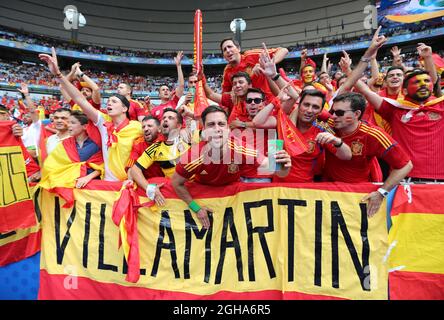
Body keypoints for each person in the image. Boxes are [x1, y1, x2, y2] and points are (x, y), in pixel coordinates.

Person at [345, 28, 444, 181]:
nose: (423, 85)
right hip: (404, 179)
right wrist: (350, 69)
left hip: (440, 180)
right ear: (404, 90)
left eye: (426, 82)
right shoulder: (395, 109)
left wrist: (428, 58)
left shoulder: (440, 105)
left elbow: (434, 80)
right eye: (416, 82)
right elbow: (365, 89)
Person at [171, 105, 292, 228]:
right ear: (204, 130)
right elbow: (176, 183)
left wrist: (283, 166)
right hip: (203, 198)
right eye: (211, 124)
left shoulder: (241, 148)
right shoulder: (194, 156)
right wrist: (196, 208)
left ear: (228, 129)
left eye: (221, 124)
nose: (217, 129)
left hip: (231, 199)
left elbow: (277, 170)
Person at [39, 47, 142, 181]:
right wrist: (58, 74)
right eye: (108, 101)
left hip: (129, 183)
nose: (109, 103)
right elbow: (79, 99)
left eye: (114, 101)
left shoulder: (137, 127)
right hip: (106, 183)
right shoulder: (103, 122)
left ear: (124, 109)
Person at [323, 93, 413, 216]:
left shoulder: (373, 135)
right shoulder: (329, 123)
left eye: (339, 113)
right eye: (332, 111)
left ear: (356, 114)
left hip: (357, 196)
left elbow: (406, 165)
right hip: (326, 193)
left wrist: (382, 192)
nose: (333, 116)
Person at [39, 111, 103, 206]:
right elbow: (52, 165)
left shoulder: (96, 143)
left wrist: (88, 177)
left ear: (85, 127)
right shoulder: (65, 144)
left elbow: (104, 164)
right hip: (72, 187)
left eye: (72, 123)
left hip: (93, 190)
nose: (69, 126)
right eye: (68, 123)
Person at [129, 108, 191, 206]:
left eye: (170, 118)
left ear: (179, 126)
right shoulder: (155, 148)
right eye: (164, 118)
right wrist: (149, 188)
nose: (165, 120)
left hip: (193, 195)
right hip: (171, 197)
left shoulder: (191, 145)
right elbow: (134, 170)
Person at [220, 38, 288, 101]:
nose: (228, 50)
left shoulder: (251, 55)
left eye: (230, 47)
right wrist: (232, 92)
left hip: (268, 101)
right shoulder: (227, 71)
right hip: (248, 105)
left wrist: (267, 64)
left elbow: (283, 50)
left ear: (238, 49)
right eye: (225, 49)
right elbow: (224, 93)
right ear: (224, 56)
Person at [150, 51, 185, 120]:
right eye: (163, 90)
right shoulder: (154, 110)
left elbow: (181, 85)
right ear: (159, 95)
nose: (166, 91)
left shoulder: (174, 102)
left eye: (167, 90)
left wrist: (178, 66)